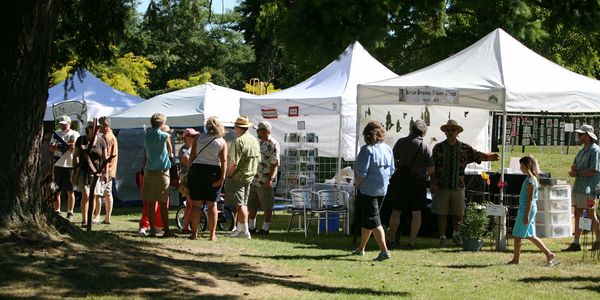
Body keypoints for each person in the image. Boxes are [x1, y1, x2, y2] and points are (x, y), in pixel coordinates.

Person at [430, 119, 499, 247]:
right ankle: (442, 237)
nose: (450, 132)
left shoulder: (464, 148)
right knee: (441, 213)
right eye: (448, 130)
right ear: (445, 132)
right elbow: (432, 167)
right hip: (441, 186)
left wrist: (488, 157)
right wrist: (432, 183)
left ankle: (457, 234)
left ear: (457, 132)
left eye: (453, 130)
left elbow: (477, 155)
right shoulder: (438, 148)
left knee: (458, 213)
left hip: (458, 186)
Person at [388, 119, 434, 249]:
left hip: (401, 181)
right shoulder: (425, 147)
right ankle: (411, 241)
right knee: (416, 212)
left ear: (411, 129)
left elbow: (393, 161)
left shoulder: (400, 142)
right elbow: (431, 169)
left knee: (396, 211)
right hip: (418, 182)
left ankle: (391, 240)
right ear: (424, 132)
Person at [352, 121, 394, 261]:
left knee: (374, 221)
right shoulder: (387, 149)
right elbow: (392, 170)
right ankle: (361, 248)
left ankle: (384, 251)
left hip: (368, 190)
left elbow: (361, 173)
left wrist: (356, 185)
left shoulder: (366, 150)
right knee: (368, 220)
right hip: (382, 189)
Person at [508, 155, 559, 266]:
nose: (520, 168)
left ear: (527, 166)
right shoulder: (530, 179)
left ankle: (516, 259)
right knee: (530, 235)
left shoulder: (531, 180)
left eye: (521, 166)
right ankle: (549, 254)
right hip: (526, 209)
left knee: (517, 235)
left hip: (527, 210)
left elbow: (530, 199)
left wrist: (526, 215)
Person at [188, 118, 227, 240]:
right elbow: (223, 160)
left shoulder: (199, 137)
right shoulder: (221, 141)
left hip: (197, 170)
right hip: (213, 172)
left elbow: (192, 155)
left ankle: (194, 234)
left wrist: (189, 171)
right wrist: (222, 177)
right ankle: (212, 234)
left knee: (196, 205)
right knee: (212, 205)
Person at [563, 124, 600, 251]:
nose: (578, 136)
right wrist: (573, 169)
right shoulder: (582, 150)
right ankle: (576, 243)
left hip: (589, 187)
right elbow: (575, 164)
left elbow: (594, 170)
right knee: (578, 213)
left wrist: (577, 173)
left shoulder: (595, 150)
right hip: (579, 187)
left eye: (581, 134)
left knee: (590, 214)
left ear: (588, 136)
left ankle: (598, 241)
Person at [225, 116, 260, 239]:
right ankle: (240, 229)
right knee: (243, 203)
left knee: (240, 205)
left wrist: (228, 174)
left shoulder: (238, 141)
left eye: (235, 126)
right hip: (249, 176)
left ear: (239, 128)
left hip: (238, 176)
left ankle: (244, 230)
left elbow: (234, 162)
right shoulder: (254, 140)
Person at [142, 113, 175, 237]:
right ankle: (166, 230)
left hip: (149, 171)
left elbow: (145, 153)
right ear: (162, 123)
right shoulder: (165, 136)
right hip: (162, 171)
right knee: (163, 203)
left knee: (150, 202)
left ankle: (151, 231)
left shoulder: (146, 136)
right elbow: (170, 153)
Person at [72, 121, 107, 226]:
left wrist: (106, 173)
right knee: (86, 194)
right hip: (83, 171)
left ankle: (90, 218)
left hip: (96, 172)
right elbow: (75, 156)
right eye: (92, 127)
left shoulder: (101, 141)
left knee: (93, 195)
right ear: (88, 128)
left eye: (96, 127)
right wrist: (74, 171)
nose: (94, 129)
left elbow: (105, 158)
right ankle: (84, 219)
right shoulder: (81, 140)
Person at [248, 121, 280, 234]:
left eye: (259, 130)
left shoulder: (273, 143)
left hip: (265, 180)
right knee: (252, 204)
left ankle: (265, 228)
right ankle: (251, 227)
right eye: (257, 130)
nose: (257, 132)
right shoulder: (258, 142)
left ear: (266, 131)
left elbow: (275, 163)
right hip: (255, 179)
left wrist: (270, 179)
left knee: (267, 205)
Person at [49, 115, 80, 221]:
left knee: (70, 191)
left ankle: (70, 212)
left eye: (64, 124)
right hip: (57, 164)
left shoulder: (75, 133)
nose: (62, 126)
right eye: (61, 124)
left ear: (69, 124)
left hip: (70, 165)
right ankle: (57, 211)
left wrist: (66, 146)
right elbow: (51, 146)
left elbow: (74, 146)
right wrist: (60, 147)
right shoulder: (56, 133)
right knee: (56, 189)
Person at [179, 127, 200, 233]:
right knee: (191, 203)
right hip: (187, 178)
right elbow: (188, 163)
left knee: (190, 203)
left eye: (195, 135)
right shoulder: (184, 150)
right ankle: (186, 227)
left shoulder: (193, 148)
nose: (195, 137)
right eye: (192, 136)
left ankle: (186, 226)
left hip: (192, 176)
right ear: (185, 137)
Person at [98, 116, 118, 225]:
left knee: (103, 193)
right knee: (107, 193)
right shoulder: (111, 136)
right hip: (110, 169)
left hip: (107, 169)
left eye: (99, 125)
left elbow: (107, 156)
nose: (98, 127)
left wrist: (105, 172)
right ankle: (107, 217)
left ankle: (102, 217)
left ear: (105, 125)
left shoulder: (107, 137)